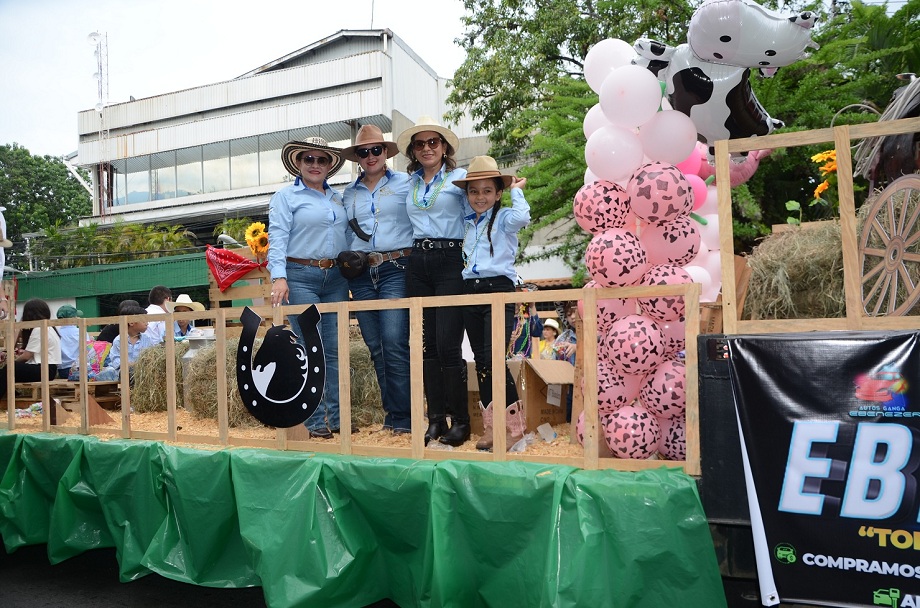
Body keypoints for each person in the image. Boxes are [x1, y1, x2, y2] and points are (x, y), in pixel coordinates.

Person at [267, 137, 350, 440]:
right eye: (308, 159)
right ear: (298, 164)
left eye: (322, 160)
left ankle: (339, 420)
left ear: (330, 165)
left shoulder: (339, 199)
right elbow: (277, 236)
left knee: (334, 349)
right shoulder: (285, 197)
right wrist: (279, 276)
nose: (315, 165)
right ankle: (315, 423)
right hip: (299, 275)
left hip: (337, 278)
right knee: (309, 348)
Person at [397, 115, 470, 446]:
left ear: (444, 147)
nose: (427, 148)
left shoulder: (459, 178)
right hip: (417, 262)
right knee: (425, 347)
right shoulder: (408, 183)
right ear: (413, 151)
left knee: (447, 345)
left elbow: (482, 210)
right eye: (420, 143)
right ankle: (436, 420)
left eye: (433, 142)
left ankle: (462, 421)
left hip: (450, 260)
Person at [453, 156, 530, 451]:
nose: (480, 197)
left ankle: (514, 428)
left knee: (494, 358)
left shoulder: (505, 217)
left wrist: (516, 190)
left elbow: (523, 218)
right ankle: (491, 426)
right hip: (470, 290)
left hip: (497, 287)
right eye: (474, 191)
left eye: (487, 191)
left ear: (498, 193)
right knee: (482, 360)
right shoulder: (467, 222)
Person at [341, 125, 413, 434]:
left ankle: (406, 418)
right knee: (375, 347)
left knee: (395, 343)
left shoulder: (407, 184)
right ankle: (393, 416)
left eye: (376, 150)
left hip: (395, 268)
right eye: (363, 151)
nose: (370, 156)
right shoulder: (348, 193)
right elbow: (342, 234)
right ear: (357, 157)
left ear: (385, 152)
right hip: (360, 274)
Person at [0, 298, 61, 395]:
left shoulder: (38, 329)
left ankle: (11, 396)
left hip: (43, 369)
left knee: (9, 369)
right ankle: (14, 395)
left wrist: (12, 362)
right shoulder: (50, 328)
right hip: (49, 370)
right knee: (5, 373)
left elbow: (26, 356)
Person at [95, 305, 157, 383]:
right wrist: (131, 365)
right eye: (144, 321)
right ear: (131, 322)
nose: (147, 323)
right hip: (125, 372)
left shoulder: (147, 339)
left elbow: (151, 357)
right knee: (128, 372)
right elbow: (116, 360)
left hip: (143, 371)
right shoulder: (119, 340)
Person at [55, 305, 82, 379]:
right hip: (79, 369)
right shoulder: (80, 331)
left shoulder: (56, 333)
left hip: (62, 370)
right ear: (73, 318)